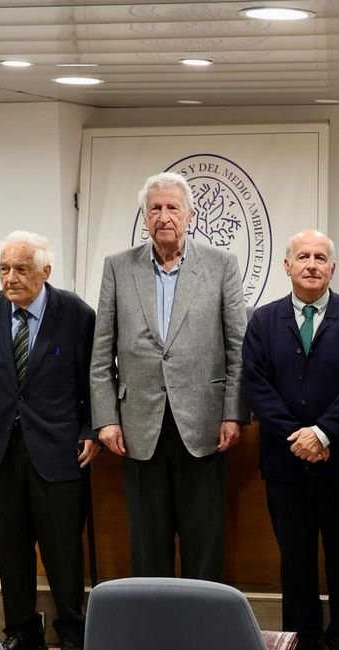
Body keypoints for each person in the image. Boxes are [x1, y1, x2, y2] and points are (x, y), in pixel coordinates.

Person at [89, 172, 248, 582]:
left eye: (172, 208)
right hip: (139, 429)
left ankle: (204, 634)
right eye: (155, 208)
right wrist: (107, 418)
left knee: (204, 542)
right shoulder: (118, 268)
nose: (164, 216)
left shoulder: (221, 266)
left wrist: (234, 414)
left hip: (204, 425)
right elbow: (101, 352)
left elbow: (238, 347)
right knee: (148, 544)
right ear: (145, 217)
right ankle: (155, 635)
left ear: (190, 215)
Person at [243, 230, 339, 650]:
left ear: (333, 269)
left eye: (321, 257)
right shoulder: (263, 321)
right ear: (287, 266)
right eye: (303, 256)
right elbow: (256, 386)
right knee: (294, 555)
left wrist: (322, 433)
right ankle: (298, 637)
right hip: (285, 463)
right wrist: (298, 436)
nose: (312, 264)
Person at [0, 232, 96, 650]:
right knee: (11, 545)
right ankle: (22, 631)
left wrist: (89, 430)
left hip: (58, 448)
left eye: (21, 268)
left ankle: (73, 633)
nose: (10, 277)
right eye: (4, 268)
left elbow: (91, 381)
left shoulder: (75, 313)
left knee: (62, 549)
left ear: (45, 271)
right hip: (2, 447)